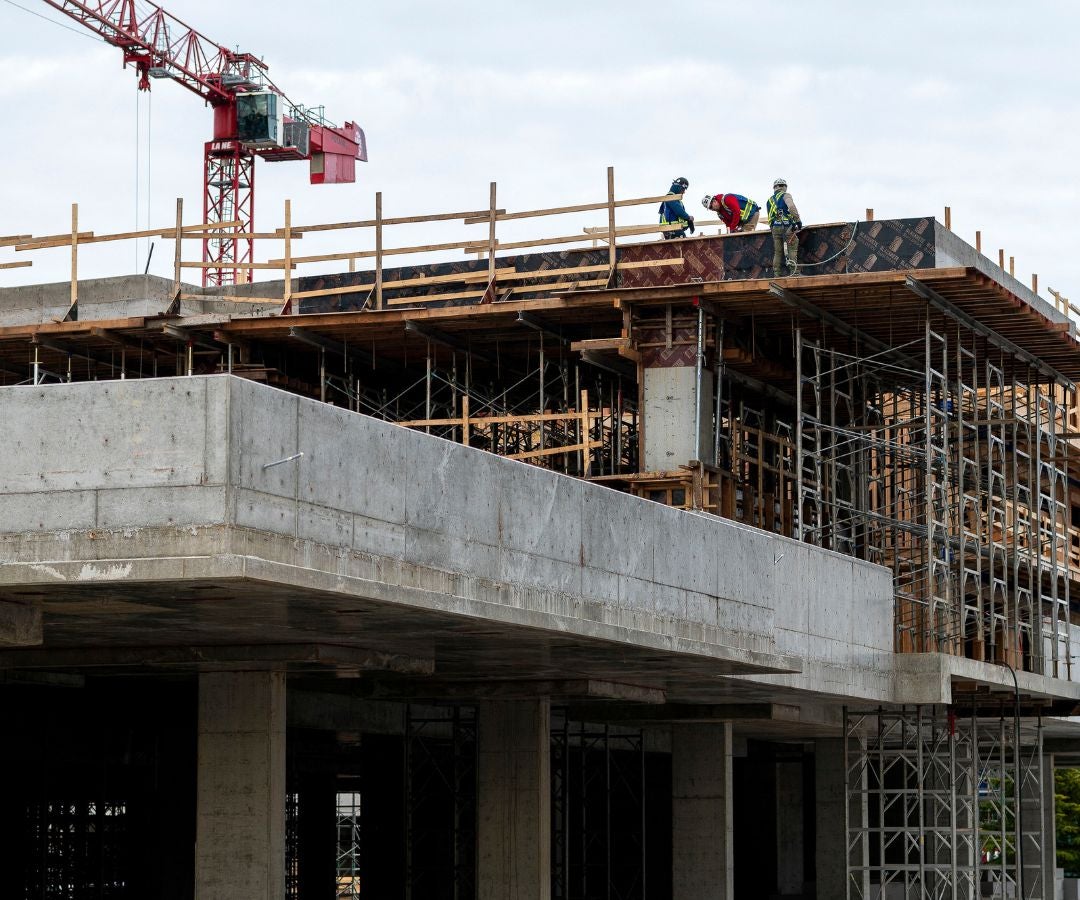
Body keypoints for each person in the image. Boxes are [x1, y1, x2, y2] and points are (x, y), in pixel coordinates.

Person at [767, 177, 802, 277]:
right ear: (785, 187)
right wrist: (798, 221)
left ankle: (777, 274)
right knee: (792, 247)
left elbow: (770, 218)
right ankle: (794, 273)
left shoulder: (769, 201)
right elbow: (791, 207)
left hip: (775, 228)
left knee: (778, 252)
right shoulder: (786, 195)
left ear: (774, 188)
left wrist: (773, 229)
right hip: (787, 226)